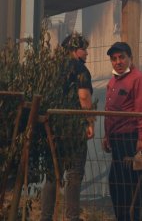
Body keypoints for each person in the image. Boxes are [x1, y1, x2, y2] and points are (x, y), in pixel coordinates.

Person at [40, 33, 94, 221]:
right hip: (73, 128)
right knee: (74, 174)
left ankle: (45, 217)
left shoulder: (51, 68)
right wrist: (89, 122)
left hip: (51, 128)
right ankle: (72, 217)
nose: (87, 53)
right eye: (84, 49)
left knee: (52, 175)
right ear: (75, 50)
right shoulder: (80, 69)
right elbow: (84, 98)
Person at [103, 42, 142, 221]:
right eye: (114, 59)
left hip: (130, 139)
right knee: (116, 184)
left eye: (121, 57)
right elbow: (109, 112)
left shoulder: (139, 79)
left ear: (130, 58)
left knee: (129, 185)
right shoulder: (112, 82)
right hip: (116, 140)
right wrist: (107, 136)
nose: (118, 62)